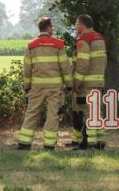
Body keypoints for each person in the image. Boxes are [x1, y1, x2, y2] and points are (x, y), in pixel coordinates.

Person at [17, 17, 72, 151]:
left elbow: (27, 68)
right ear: (47, 28)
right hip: (54, 87)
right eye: (51, 27)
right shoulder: (59, 44)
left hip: (37, 86)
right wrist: (69, 84)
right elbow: (65, 67)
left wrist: (27, 86)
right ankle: (49, 144)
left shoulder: (31, 45)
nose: (52, 29)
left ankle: (24, 143)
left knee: (31, 113)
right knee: (52, 114)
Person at [70, 14, 107, 150]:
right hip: (98, 82)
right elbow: (104, 61)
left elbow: (82, 64)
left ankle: (88, 144)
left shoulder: (84, 40)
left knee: (88, 113)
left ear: (81, 26)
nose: (75, 27)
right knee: (97, 113)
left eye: (76, 24)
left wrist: (76, 83)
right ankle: (100, 142)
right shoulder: (100, 39)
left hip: (86, 84)